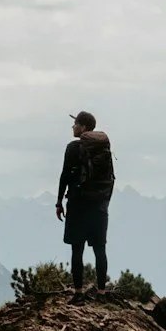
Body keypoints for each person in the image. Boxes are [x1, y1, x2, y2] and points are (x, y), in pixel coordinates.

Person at [55, 111, 114, 290]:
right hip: (99, 207)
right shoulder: (104, 149)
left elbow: (65, 175)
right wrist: (104, 204)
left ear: (83, 127)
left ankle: (79, 292)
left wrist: (59, 202)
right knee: (100, 250)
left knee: (77, 249)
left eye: (76, 124)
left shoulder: (73, 148)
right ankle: (102, 291)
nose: (73, 127)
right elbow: (111, 178)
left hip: (78, 204)